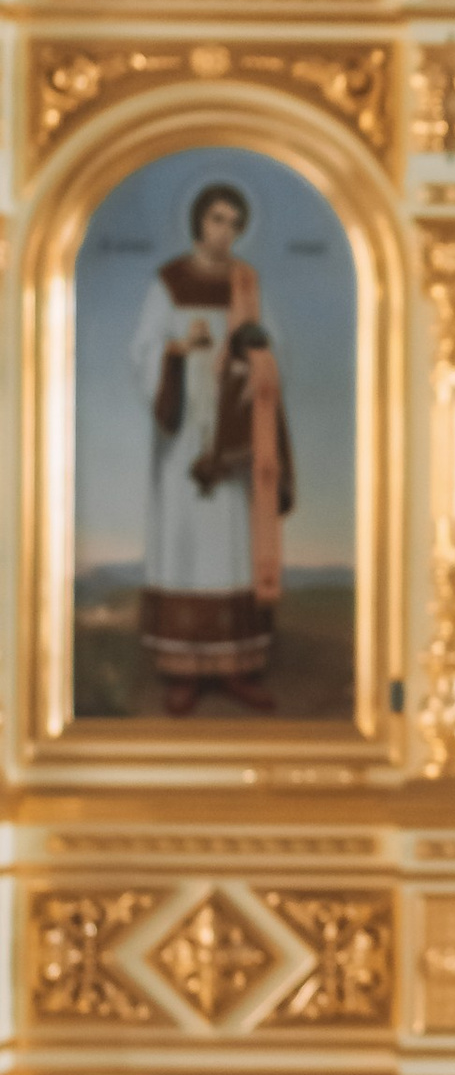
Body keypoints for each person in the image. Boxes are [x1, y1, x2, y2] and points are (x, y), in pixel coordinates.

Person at [130, 179, 292, 717]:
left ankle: (237, 668)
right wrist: (177, 350)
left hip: (234, 431)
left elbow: (272, 348)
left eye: (234, 223)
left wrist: (249, 365)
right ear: (199, 221)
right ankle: (182, 672)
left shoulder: (247, 283)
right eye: (217, 219)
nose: (225, 232)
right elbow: (144, 350)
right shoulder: (168, 283)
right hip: (182, 440)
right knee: (183, 544)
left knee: (231, 542)